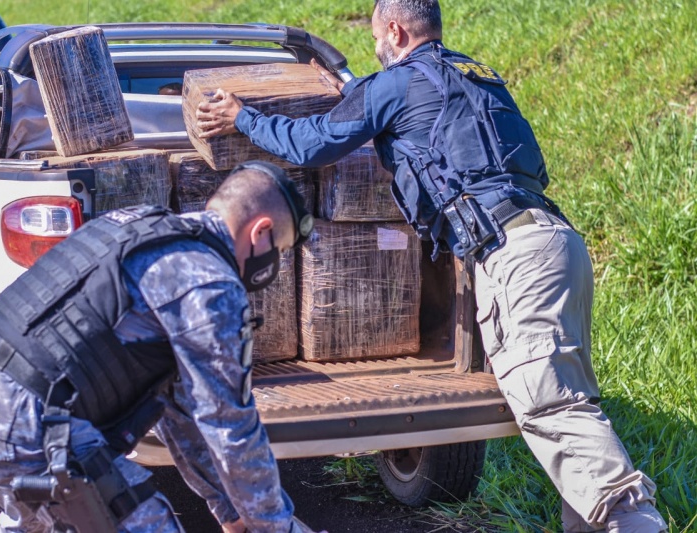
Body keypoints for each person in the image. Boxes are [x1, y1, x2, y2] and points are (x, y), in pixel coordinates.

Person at [195, 1, 667, 531]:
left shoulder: (395, 85)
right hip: (557, 244)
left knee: (552, 408)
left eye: (377, 37)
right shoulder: (476, 75)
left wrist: (241, 116)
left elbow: (311, 144)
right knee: (569, 399)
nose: (377, 48)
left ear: (393, 31)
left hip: (512, 254)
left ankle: (635, 521)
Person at [0, 162, 318, 533]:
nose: (276, 262)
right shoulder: (209, 282)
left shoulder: (141, 226)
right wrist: (275, 526)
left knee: (47, 521)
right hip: (27, 419)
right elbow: (232, 428)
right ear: (261, 232)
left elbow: (180, 412)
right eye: (281, 250)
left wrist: (230, 509)